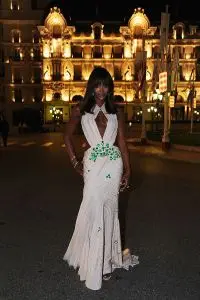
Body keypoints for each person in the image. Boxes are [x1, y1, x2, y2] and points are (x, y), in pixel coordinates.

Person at [63, 67, 139, 290]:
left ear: (109, 87)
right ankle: (91, 260)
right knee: (93, 208)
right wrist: (75, 161)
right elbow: (67, 136)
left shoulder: (116, 111)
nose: (101, 90)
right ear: (91, 86)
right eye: (97, 85)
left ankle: (104, 263)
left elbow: (122, 143)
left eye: (105, 85)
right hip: (93, 165)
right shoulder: (80, 110)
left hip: (113, 166)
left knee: (109, 212)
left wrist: (128, 170)